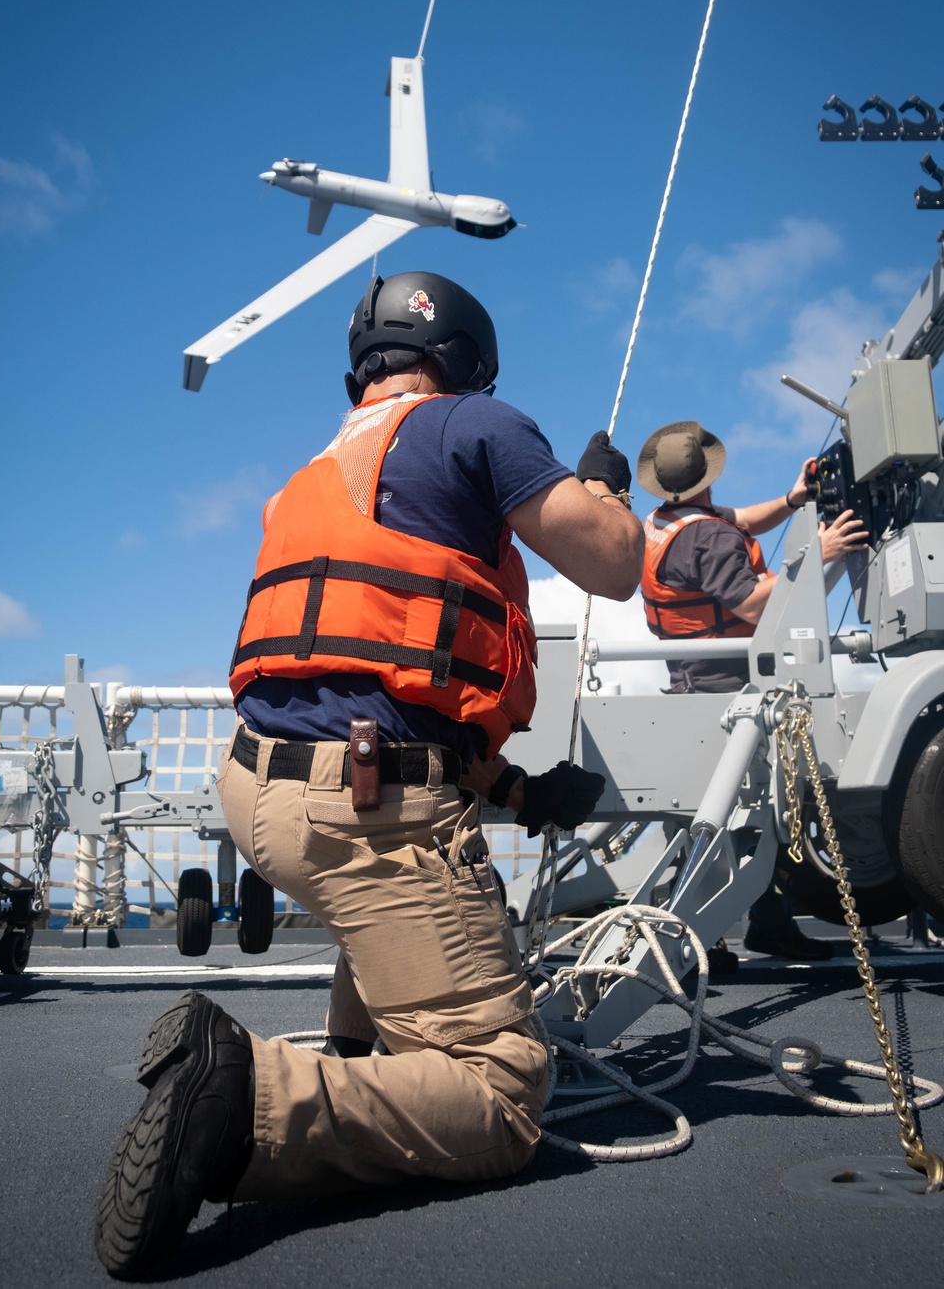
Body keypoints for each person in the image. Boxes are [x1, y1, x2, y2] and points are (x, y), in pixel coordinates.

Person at [95, 270, 644, 1279]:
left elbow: (367, 682)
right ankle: (242, 1096)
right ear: (466, 360)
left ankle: (357, 1067)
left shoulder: (316, 470)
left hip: (264, 796)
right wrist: (604, 484)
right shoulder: (474, 426)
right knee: (498, 1093)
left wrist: (518, 794)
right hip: (367, 814)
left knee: (387, 929)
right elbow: (614, 563)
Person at [630, 419, 868, 963]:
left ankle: (756, 925)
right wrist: (823, 552)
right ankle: (725, 932)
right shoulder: (708, 537)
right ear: (706, 477)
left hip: (689, 683)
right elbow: (749, 604)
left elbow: (740, 519)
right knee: (764, 813)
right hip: (729, 691)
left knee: (727, 817)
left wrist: (793, 497)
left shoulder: (667, 521)